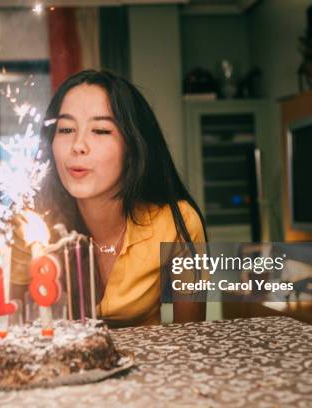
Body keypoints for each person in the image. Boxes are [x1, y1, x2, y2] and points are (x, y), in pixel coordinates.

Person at [11, 70, 206, 327]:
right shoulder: (32, 222)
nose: (78, 145)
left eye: (101, 130)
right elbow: (10, 326)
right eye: (66, 129)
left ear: (133, 146)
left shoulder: (177, 221)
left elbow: (190, 335)